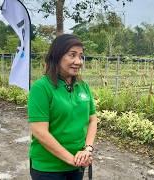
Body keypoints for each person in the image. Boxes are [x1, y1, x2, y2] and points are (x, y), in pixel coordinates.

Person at [28, 34, 97, 180]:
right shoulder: (41, 88)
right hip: (48, 169)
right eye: (72, 55)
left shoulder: (83, 86)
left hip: (77, 165)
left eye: (81, 56)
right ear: (57, 56)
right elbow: (40, 132)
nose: (78, 61)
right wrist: (72, 159)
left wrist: (87, 149)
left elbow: (92, 119)